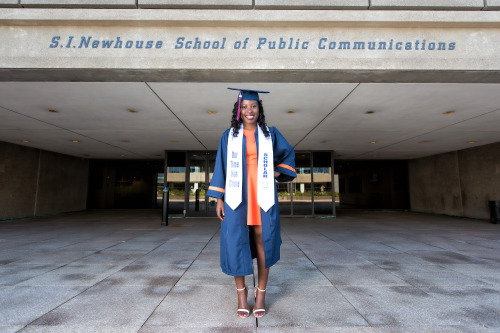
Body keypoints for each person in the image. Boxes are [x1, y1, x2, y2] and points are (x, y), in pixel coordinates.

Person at [207, 88, 296, 318]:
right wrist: (219, 198)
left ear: (260, 109)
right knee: (236, 241)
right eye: (245, 106)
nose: (249, 110)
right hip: (237, 197)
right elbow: (221, 168)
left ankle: (261, 294)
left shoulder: (270, 134)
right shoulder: (228, 136)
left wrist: (277, 173)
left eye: (254, 106)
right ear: (239, 110)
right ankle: (241, 294)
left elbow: (288, 154)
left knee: (263, 241)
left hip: (262, 197)